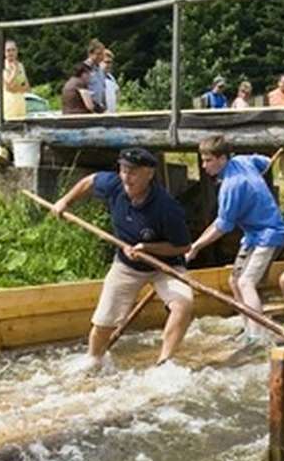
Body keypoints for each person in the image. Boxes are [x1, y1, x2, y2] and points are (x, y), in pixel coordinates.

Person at [51, 147, 193, 366]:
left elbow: (182, 247)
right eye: (124, 170)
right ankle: (94, 359)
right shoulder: (114, 185)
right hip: (127, 266)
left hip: (165, 266)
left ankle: (164, 363)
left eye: (134, 172)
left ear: (149, 174)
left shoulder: (166, 207)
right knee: (104, 320)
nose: (127, 177)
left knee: (183, 304)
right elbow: (90, 180)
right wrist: (66, 201)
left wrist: (148, 248)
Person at [185, 136, 284, 336]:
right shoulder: (242, 160)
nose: (204, 166)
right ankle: (248, 325)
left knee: (245, 283)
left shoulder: (231, 187)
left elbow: (222, 227)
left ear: (222, 158)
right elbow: (265, 162)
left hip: (270, 234)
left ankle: (257, 335)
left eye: (208, 161)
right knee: (234, 281)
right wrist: (196, 244)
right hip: (252, 236)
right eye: (203, 160)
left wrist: (197, 247)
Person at [1, 39, 31, 121]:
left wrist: (16, 88)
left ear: (17, 51)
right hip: (9, 106)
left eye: (13, 50)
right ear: (4, 52)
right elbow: (8, 86)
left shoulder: (21, 65)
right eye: (8, 50)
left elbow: (27, 87)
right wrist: (14, 72)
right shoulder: (2, 66)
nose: (11, 53)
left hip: (20, 105)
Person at [83, 39, 108, 112]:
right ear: (90, 54)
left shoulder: (100, 70)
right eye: (98, 54)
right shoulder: (84, 69)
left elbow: (102, 89)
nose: (101, 57)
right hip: (87, 108)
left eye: (102, 54)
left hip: (99, 108)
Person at [102, 49, 120, 113]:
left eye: (110, 62)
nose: (109, 65)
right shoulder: (95, 78)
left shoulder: (111, 77)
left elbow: (117, 92)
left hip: (112, 114)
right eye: (106, 62)